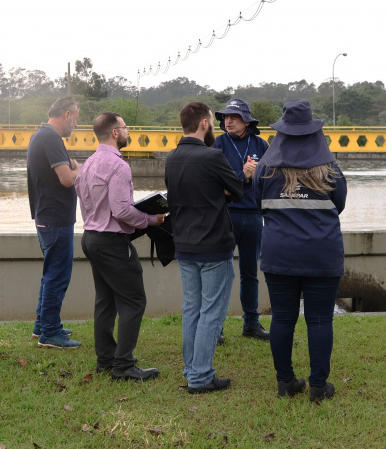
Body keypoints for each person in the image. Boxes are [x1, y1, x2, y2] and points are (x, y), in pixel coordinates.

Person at [254, 99, 347, 402]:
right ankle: (319, 388)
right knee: (320, 319)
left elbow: (259, 205)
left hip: (279, 254)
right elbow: (340, 205)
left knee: (282, 318)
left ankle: (286, 383)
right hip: (322, 252)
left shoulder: (265, 170)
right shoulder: (331, 170)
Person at [75, 112, 165, 381]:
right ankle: (123, 365)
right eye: (126, 128)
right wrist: (151, 219)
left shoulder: (88, 164)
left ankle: (106, 358)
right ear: (115, 132)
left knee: (105, 301)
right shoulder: (118, 166)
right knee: (134, 301)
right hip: (112, 242)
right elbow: (122, 211)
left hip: (91, 237)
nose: (128, 133)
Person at [165, 101, 245, 394]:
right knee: (211, 311)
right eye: (212, 121)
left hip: (184, 245)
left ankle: (192, 369)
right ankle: (200, 376)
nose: (214, 125)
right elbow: (236, 190)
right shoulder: (213, 156)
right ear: (204, 124)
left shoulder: (171, 158)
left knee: (192, 309)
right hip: (213, 245)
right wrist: (235, 180)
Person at [212, 98, 270, 342]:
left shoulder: (261, 144)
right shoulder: (218, 144)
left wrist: (257, 176)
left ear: (247, 120)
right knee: (222, 273)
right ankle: (217, 327)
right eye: (226, 117)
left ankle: (251, 323)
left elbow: (271, 179)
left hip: (254, 217)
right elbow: (214, 181)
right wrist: (243, 175)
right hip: (228, 215)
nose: (228, 121)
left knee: (250, 273)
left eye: (234, 117)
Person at [26, 96, 82, 349]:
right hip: (55, 218)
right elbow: (67, 179)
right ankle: (50, 332)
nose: (76, 126)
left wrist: (71, 169)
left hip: (47, 216)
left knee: (51, 274)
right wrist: (78, 170)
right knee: (57, 276)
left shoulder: (41, 136)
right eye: (76, 119)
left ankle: (44, 325)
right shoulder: (51, 138)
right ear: (67, 115)